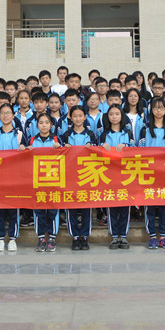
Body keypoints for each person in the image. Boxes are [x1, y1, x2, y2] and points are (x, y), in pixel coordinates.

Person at [138, 98, 165, 250]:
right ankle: (152, 236)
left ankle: (163, 236)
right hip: (149, 172)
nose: (159, 110)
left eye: (161, 107)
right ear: (151, 110)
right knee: (149, 205)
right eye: (155, 108)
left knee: (164, 205)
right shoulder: (145, 129)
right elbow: (140, 150)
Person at [0, 103, 26, 251]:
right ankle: (0, 239)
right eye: (2, 113)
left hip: (15, 177)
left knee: (13, 209)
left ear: (13, 115)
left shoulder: (19, 134)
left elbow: (27, 153)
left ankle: (13, 239)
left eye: (8, 113)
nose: (5, 116)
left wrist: (23, 148)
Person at [61, 106, 96, 251]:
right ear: (70, 117)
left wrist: (91, 146)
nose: (77, 118)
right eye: (74, 116)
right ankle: (75, 236)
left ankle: (85, 236)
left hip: (87, 175)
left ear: (85, 117)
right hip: (70, 175)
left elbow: (98, 152)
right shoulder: (65, 135)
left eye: (80, 116)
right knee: (71, 206)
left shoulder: (91, 134)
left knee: (87, 206)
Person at [99, 105, 134, 249]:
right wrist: (103, 147)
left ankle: (124, 236)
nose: (114, 117)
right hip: (109, 175)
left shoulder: (128, 133)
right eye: (111, 114)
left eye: (117, 114)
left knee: (125, 206)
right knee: (111, 206)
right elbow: (96, 153)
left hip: (125, 174)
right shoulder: (104, 134)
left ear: (122, 116)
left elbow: (135, 150)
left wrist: (125, 146)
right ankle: (114, 236)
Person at [29, 114, 62, 253]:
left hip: (54, 180)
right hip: (37, 180)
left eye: (47, 122)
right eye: (41, 122)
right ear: (37, 125)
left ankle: (52, 238)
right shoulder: (32, 140)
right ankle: (41, 238)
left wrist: (60, 148)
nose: (44, 125)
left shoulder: (57, 139)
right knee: (39, 209)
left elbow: (65, 155)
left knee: (53, 209)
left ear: (51, 125)